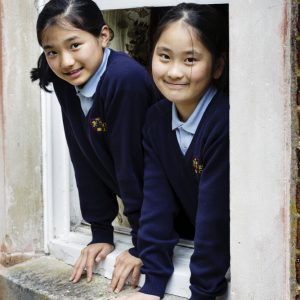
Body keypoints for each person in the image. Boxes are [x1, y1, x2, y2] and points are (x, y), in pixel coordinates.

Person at [30, 0, 158, 293]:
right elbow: (82, 155)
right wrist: (100, 230)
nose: (65, 62)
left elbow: (135, 167)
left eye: (75, 45)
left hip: (181, 213)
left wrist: (146, 243)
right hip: (150, 217)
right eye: (52, 52)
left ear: (103, 35)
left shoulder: (124, 81)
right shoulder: (65, 80)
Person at [117, 3, 229, 300]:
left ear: (218, 66)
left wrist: (203, 293)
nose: (175, 71)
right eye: (164, 57)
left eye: (190, 59)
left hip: (231, 257)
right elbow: (157, 200)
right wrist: (152, 283)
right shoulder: (156, 119)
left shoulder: (224, 122)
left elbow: (215, 218)